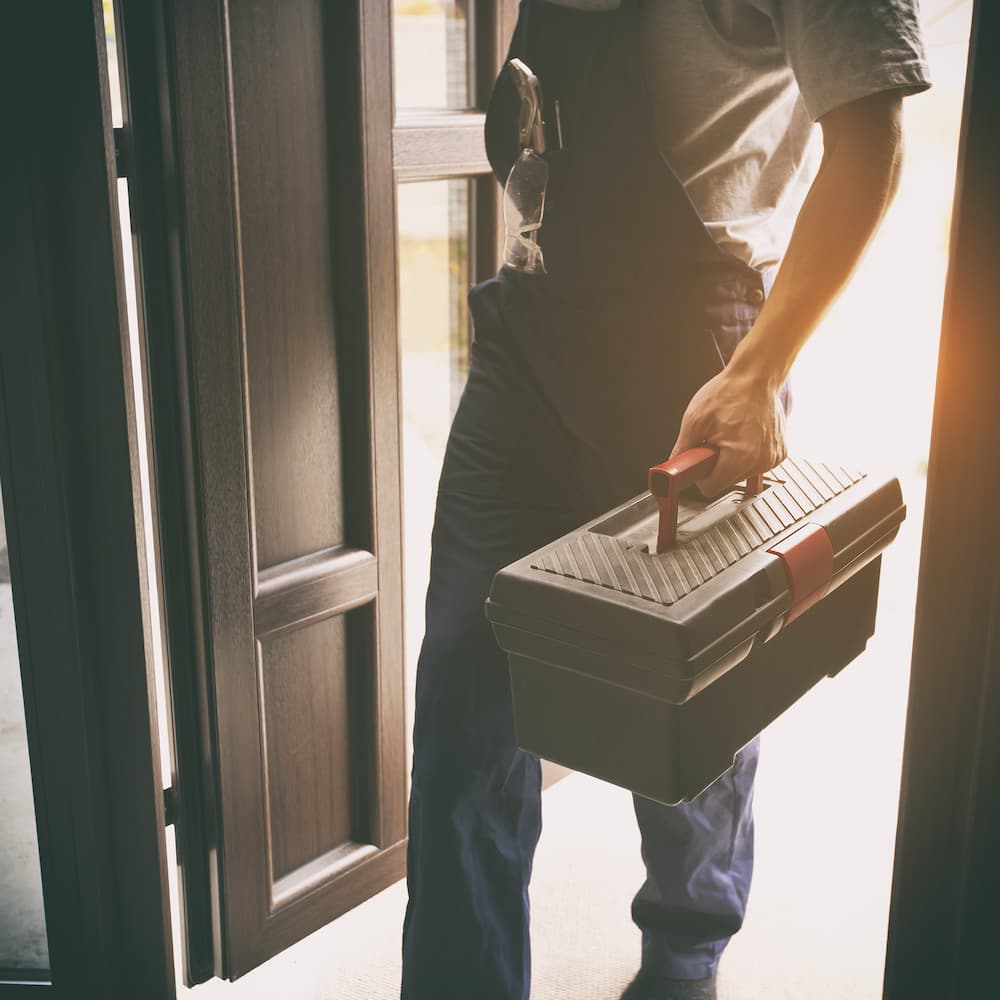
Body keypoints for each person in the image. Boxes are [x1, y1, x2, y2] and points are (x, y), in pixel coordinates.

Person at [400, 2, 930, 998]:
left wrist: (758, 370)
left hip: (693, 344)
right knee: (467, 671)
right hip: (529, 329)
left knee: (691, 689)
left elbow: (870, 140)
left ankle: (685, 958)